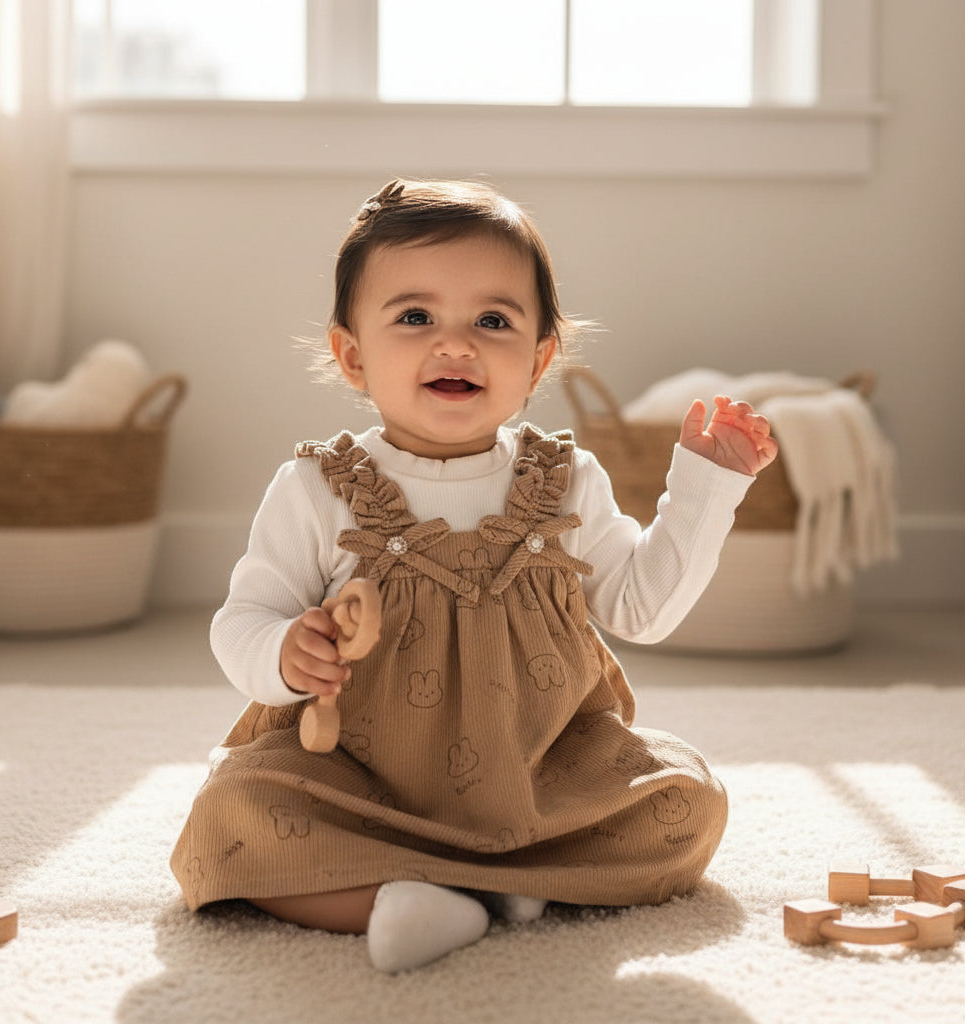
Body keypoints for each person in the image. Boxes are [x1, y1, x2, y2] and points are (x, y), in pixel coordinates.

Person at [170, 178, 778, 972]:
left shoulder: (565, 481)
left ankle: (475, 889)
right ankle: (436, 899)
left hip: (537, 777)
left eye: (493, 321)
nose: (455, 344)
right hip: (357, 781)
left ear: (539, 359)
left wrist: (705, 488)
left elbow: (641, 607)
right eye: (415, 317)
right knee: (234, 814)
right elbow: (244, 620)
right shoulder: (316, 489)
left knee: (684, 804)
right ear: (352, 355)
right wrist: (286, 651)